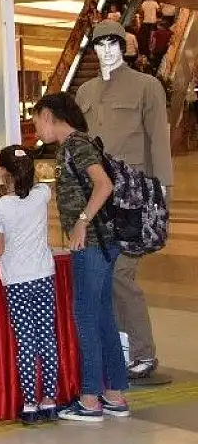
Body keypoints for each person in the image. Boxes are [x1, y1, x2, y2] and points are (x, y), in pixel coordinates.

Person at [75, 20, 171, 380]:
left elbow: (159, 140)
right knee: (101, 276)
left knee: (121, 275)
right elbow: (80, 144)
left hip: (135, 196)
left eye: (113, 43)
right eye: (100, 44)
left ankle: (143, 352)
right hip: (97, 197)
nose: (107, 51)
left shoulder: (147, 86)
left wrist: (162, 191)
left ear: (124, 46)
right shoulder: (85, 91)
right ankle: (120, 350)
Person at [33, 92, 131, 422]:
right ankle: (114, 393)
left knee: (87, 316)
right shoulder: (75, 145)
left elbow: (104, 185)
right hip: (102, 242)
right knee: (102, 315)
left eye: (37, 121)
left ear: (49, 115)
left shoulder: (76, 144)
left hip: (92, 243)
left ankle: (89, 399)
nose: (37, 129)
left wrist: (81, 223)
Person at [0, 145, 59, 425]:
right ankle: (50, 399)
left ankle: (30, 402)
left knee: (26, 340)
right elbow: (39, 185)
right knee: (47, 337)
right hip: (43, 274)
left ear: (3, 172)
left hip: (17, 280)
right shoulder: (42, 195)